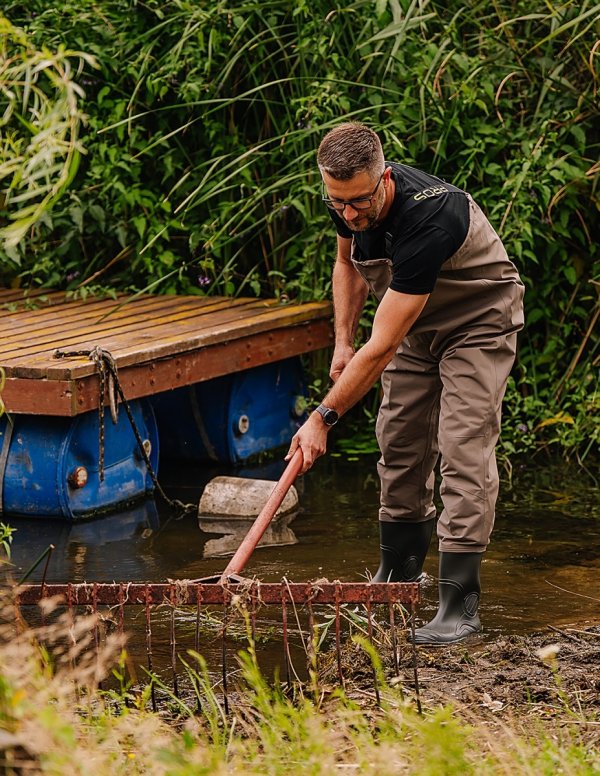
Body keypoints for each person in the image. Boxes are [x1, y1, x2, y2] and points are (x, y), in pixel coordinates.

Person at [285, 122, 524, 645]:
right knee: (398, 441)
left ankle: (458, 605)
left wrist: (322, 417)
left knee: (462, 447)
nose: (349, 213)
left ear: (385, 178)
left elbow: (385, 344)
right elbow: (346, 262)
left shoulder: (430, 217)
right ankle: (398, 574)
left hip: (476, 321)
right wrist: (343, 342)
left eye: (359, 202)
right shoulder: (347, 199)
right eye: (337, 202)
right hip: (414, 324)